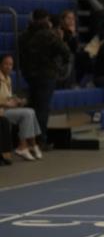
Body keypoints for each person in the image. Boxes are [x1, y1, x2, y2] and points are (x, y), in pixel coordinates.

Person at [19, 9, 70, 147]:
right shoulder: (49, 34)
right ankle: (40, 140)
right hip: (46, 75)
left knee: (32, 107)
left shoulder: (24, 35)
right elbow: (65, 51)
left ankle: (28, 139)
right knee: (42, 109)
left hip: (29, 75)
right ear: (46, 20)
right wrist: (59, 65)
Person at [0, 54, 44, 161]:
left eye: (11, 64)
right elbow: (3, 101)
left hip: (7, 109)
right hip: (1, 110)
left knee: (31, 111)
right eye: (6, 64)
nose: (9, 67)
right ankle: (23, 146)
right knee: (27, 114)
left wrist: (17, 100)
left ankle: (32, 145)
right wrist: (7, 104)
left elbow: (7, 96)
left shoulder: (8, 78)